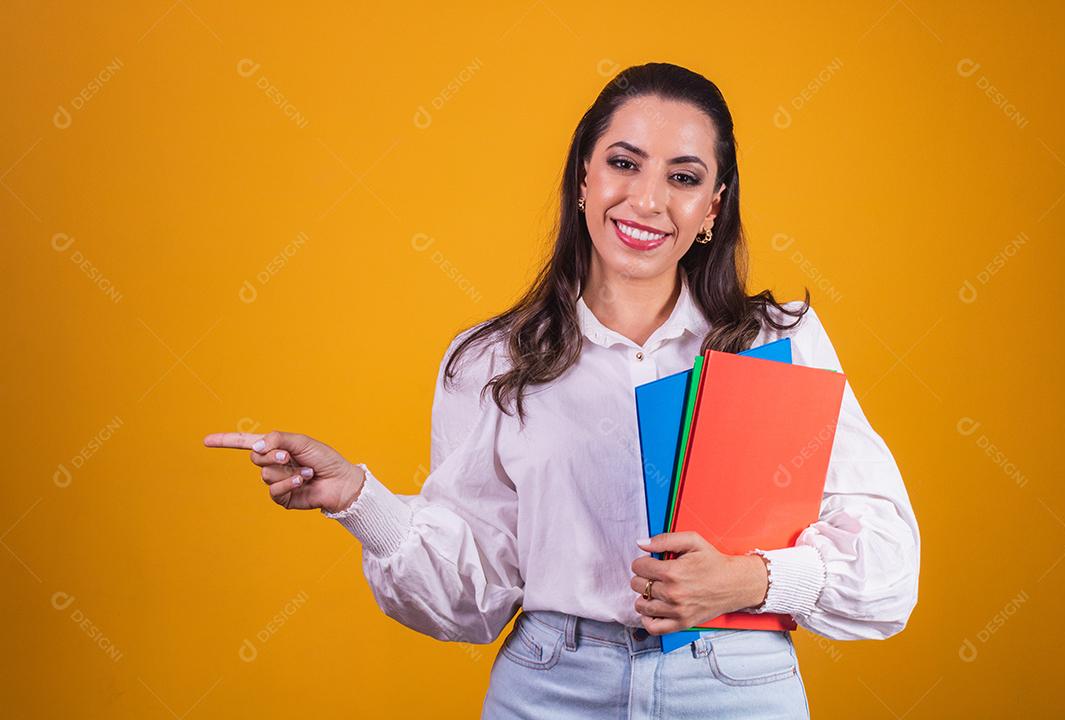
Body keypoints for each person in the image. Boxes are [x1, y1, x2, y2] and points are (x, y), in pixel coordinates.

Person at [204, 62, 920, 718]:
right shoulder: (488, 360)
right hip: (551, 686)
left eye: (683, 177)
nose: (646, 199)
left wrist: (748, 582)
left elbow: (889, 569)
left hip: (734, 684)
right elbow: (469, 599)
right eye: (623, 163)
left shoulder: (775, 341)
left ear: (712, 208)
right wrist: (359, 500)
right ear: (583, 179)